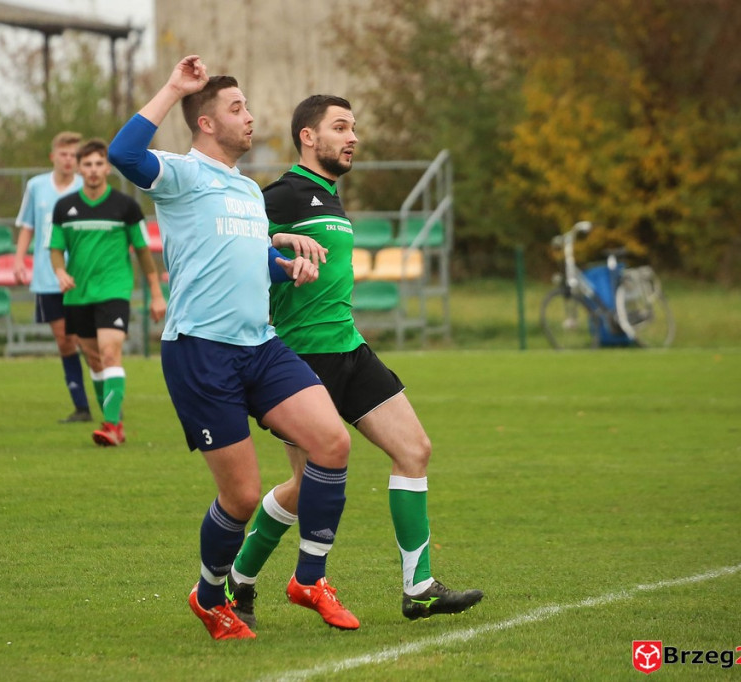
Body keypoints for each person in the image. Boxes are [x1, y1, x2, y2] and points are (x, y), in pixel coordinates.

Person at [109, 56, 359, 640]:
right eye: (236, 109)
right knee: (242, 495)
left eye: (247, 107)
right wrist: (175, 87)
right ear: (206, 124)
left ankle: (309, 579)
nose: (250, 118)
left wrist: (284, 266)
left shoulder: (249, 190)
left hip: (260, 345)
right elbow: (125, 156)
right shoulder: (182, 174)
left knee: (331, 442)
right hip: (202, 351)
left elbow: (245, 259)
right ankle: (208, 594)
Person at [224, 95, 484, 628]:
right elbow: (238, 248)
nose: (352, 137)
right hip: (299, 361)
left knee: (415, 449)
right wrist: (276, 241)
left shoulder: (329, 196)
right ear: (307, 137)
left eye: (354, 128)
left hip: (349, 350)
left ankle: (420, 588)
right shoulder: (282, 195)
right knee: (302, 489)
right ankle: (239, 578)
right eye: (339, 127)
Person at [49, 138, 166, 447]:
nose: (93, 170)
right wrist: (60, 272)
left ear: (108, 167)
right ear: (78, 167)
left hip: (114, 291)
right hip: (78, 294)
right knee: (95, 360)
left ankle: (111, 426)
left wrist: (155, 293)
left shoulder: (126, 207)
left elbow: (143, 252)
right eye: (87, 164)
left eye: (99, 163)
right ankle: (114, 421)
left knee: (110, 352)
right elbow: (56, 250)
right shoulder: (64, 207)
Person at [14, 131, 96, 424]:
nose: (68, 160)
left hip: (80, 277)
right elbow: (27, 226)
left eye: (74, 155)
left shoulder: (87, 187)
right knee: (64, 341)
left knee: (86, 340)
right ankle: (82, 407)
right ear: (53, 157)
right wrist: (18, 260)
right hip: (47, 278)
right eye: (63, 154)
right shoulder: (36, 187)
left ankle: (108, 401)